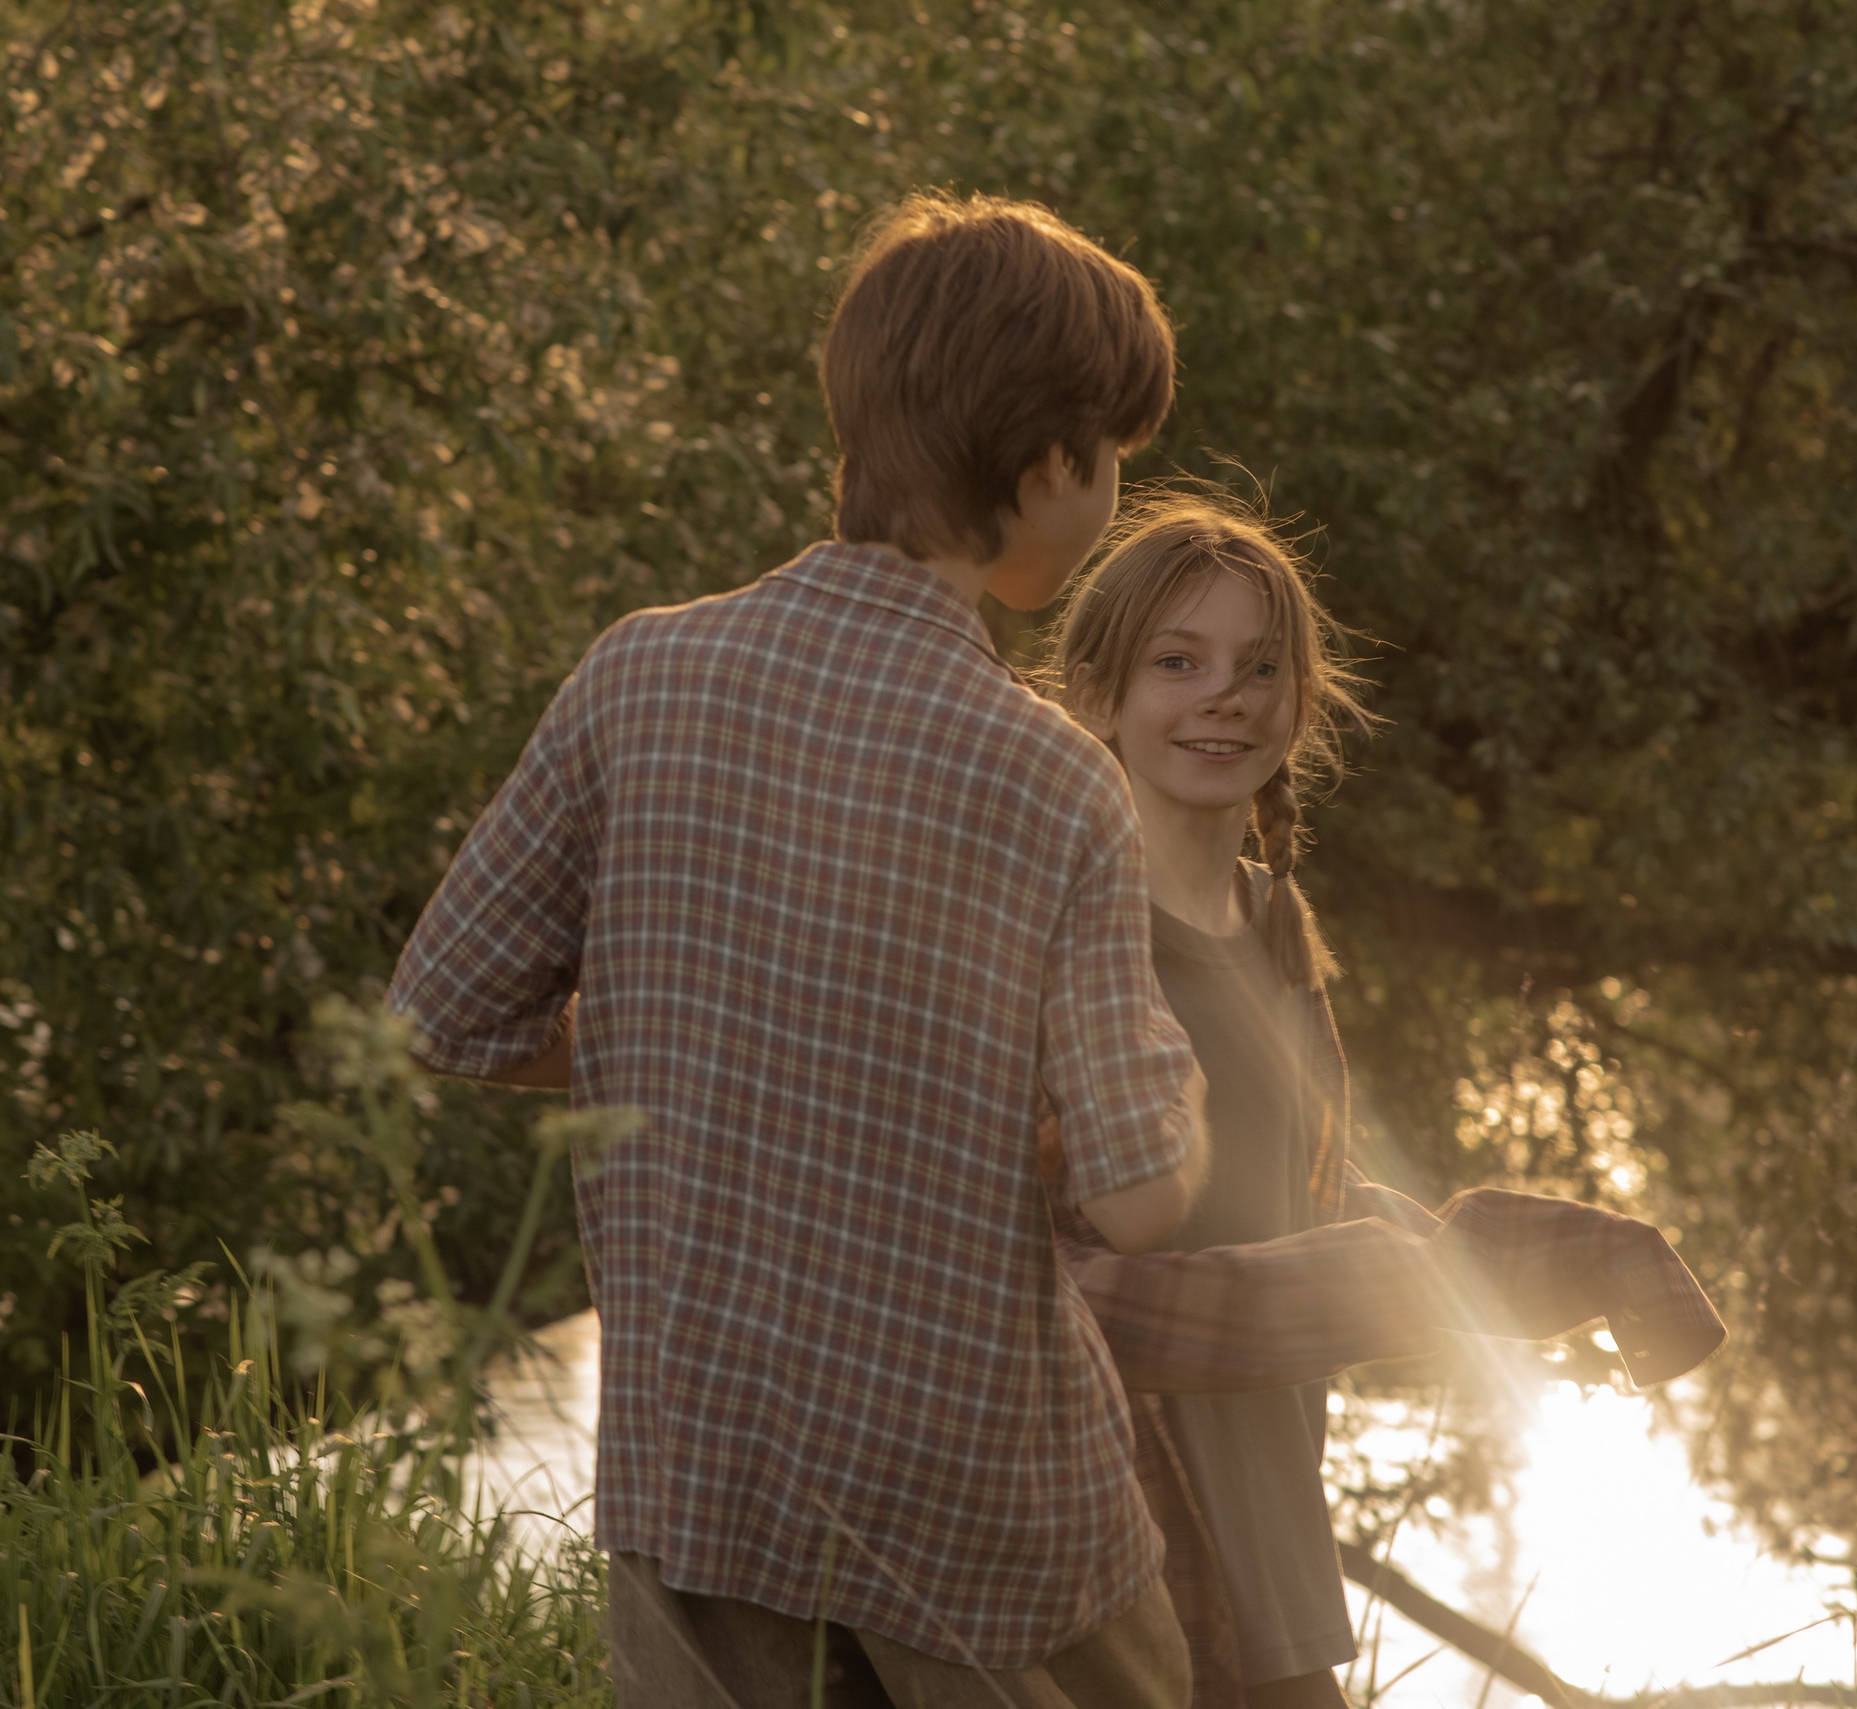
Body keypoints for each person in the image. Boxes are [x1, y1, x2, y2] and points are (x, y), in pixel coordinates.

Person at [387, 193, 1212, 1709]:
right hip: (978, 1514)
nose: (1112, 504)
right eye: (1115, 467)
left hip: (703, 1469)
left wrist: (680, 1043)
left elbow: (441, 1012)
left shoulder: (640, 673)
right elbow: (1141, 1194)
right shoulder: (1051, 780)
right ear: (1045, 468)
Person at [1042, 493, 1725, 1709]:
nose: (1226, 696)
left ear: (1302, 701)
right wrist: (1361, 1280)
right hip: (1121, 1566)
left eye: (1262, 667)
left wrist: (1551, 1263)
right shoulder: (1060, 938)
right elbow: (1042, 1276)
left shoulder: (1275, 925)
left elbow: (1308, 1203)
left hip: (1284, 1568)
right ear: (1095, 694)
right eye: (1176, 661)